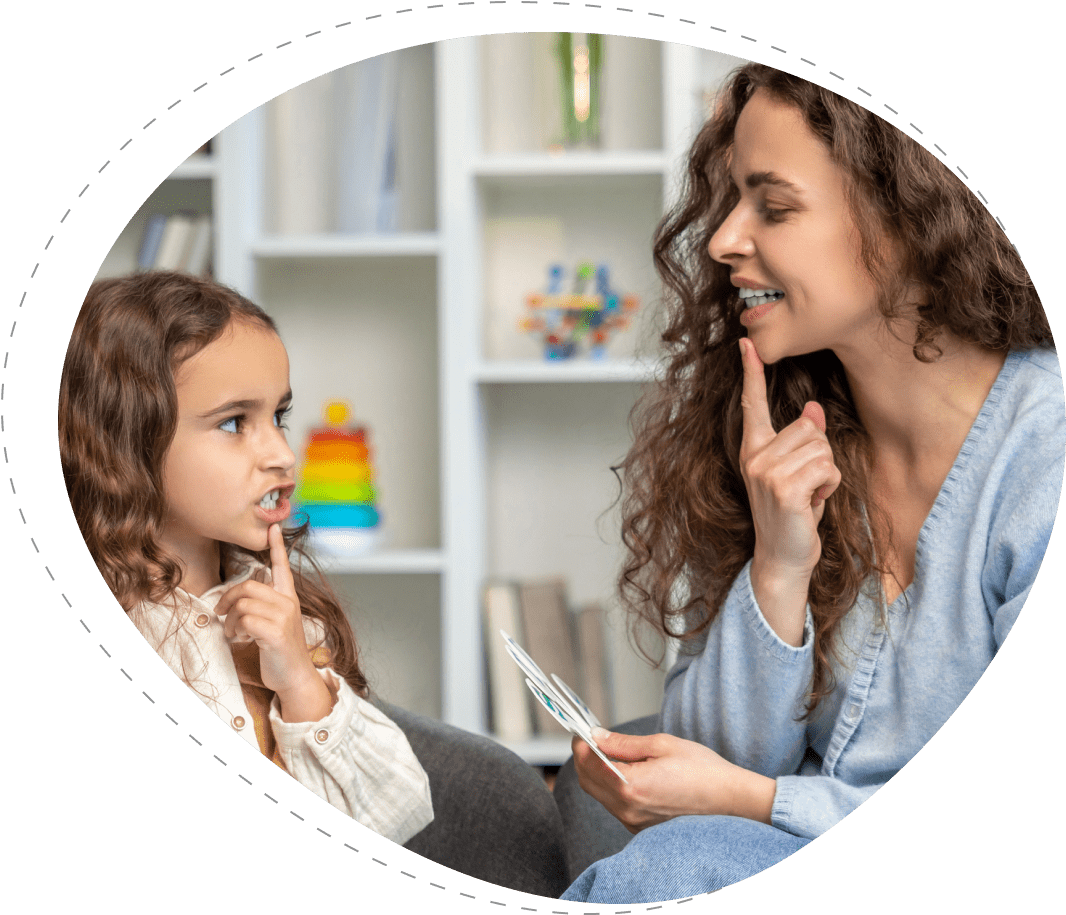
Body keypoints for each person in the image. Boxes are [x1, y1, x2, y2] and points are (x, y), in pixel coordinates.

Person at [561, 63, 1063, 902]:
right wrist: (780, 567)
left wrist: (761, 802)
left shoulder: (1041, 454)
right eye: (729, 200)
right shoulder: (782, 439)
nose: (722, 239)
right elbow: (709, 766)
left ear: (906, 218)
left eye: (774, 205)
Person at [58, 270, 433, 845]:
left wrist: (301, 684)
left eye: (277, 416)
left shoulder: (285, 619)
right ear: (125, 440)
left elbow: (398, 816)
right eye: (234, 423)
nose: (283, 454)